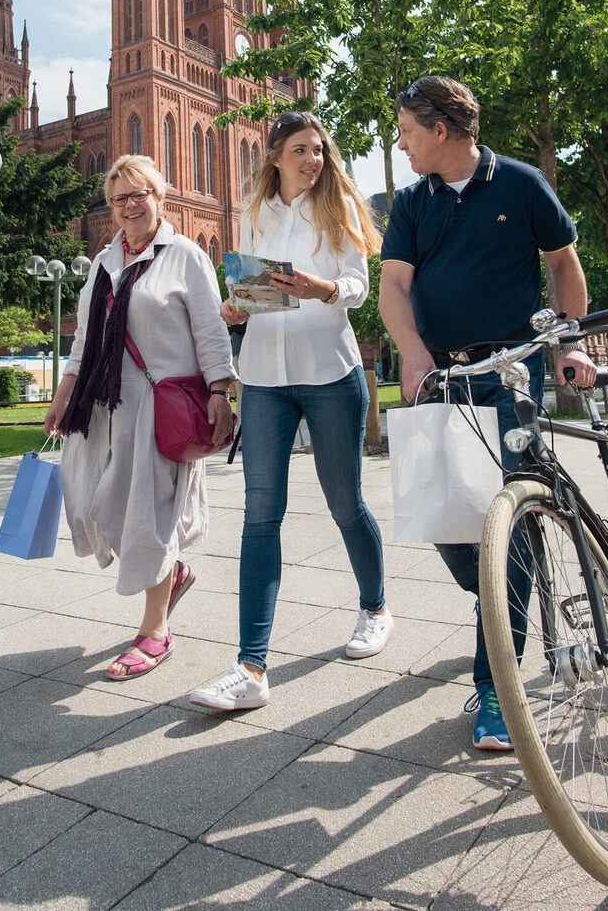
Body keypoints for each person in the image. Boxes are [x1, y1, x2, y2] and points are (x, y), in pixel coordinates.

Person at [379, 76, 596, 751]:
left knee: (507, 522)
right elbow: (392, 285)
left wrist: (569, 338)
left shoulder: (523, 184)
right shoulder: (411, 202)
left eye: (407, 132)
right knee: (446, 520)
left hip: (511, 372)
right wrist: (411, 354)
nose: (400, 144)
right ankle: (500, 605)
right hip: (441, 375)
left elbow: (562, 263)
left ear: (439, 130)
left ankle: (495, 688)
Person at [190, 111, 391, 711]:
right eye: (301, 150)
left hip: (331, 373)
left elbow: (357, 285)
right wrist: (236, 309)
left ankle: (375, 607)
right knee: (260, 517)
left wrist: (323, 289)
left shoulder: (340, 210)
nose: (314, 160)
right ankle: (251, 668)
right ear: (275, 154)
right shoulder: (253, 214)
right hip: (266, 381)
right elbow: (257, 295)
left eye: (320, 150)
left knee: (344, 503)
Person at [44, 154, 235, 680]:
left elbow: (210, 331)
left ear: (159, 195)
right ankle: (170, 575)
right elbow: (85, 337)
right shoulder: (104, 262)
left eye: (139, 193)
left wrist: (220, 389)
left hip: (160, 407)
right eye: (119, 197)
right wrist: (63, 394)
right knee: (91, 502)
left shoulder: (185, 256)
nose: (130, 204)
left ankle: (155, 629)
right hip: (102, 407)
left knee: (148, 514)